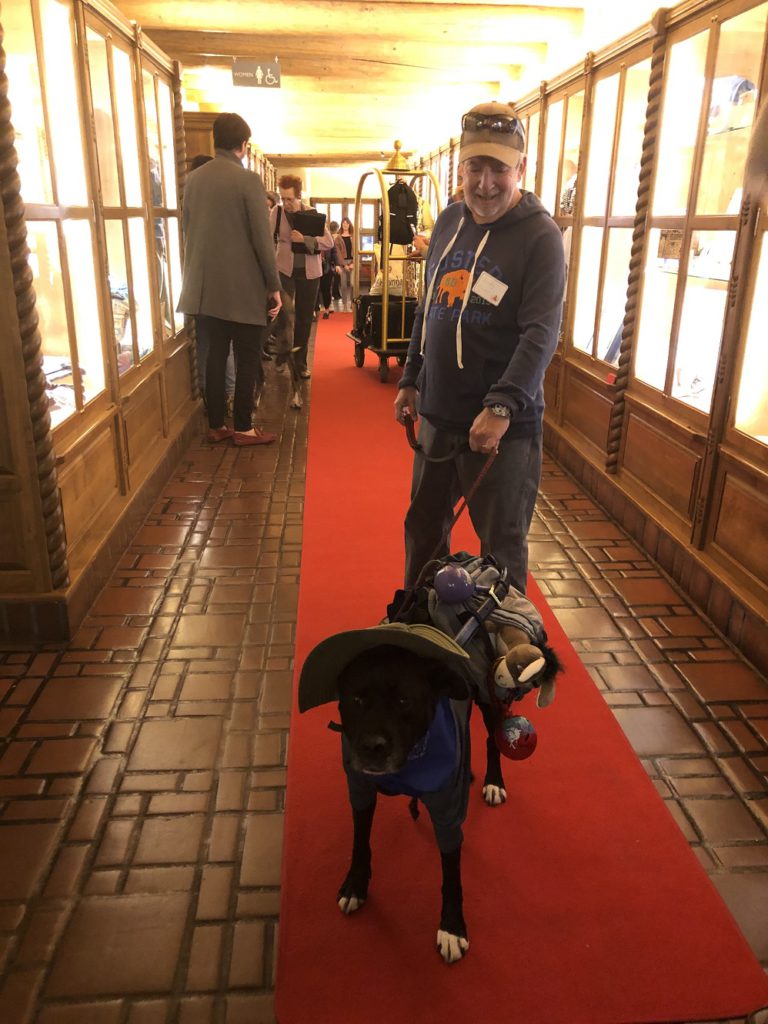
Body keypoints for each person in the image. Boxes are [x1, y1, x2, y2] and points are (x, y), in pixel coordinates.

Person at [394, 101, 565, 594]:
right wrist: (410, 376)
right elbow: (428, 307)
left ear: (521, 170)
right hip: (438, 416)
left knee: (501, 548)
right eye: (476, 168)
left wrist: (501, 405)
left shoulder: (540, 237)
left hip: (502, 429)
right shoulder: (448, 223)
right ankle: (419, 629)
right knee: (423, 533)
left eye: (499, 169)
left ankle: (508, 658)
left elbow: (541, 333)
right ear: (461, 167)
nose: (485, 183)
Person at [177, 113, 281, 446]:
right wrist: (274, 286)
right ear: (243, 145)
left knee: (214, 356)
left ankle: (216, 424)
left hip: (205, 289)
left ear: (215, 141)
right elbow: (262, 241)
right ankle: (244, 427)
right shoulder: (248, 181)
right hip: (243, 288)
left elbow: (186, 228)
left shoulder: (194, 179)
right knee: (248, 356)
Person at [270, 175, 334, 379]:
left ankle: (300, 363)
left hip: (310, 272)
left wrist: (306, 239)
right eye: (283, 198)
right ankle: (282, 357)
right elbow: (266, 238)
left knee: (305, 318)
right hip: (284, 270)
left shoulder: (311, 214)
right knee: (285, 316)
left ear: (299, 196)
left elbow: (329, 242)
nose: (286, 203)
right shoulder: (276, 212)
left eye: (290, 199)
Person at [335, 216, 354, 312]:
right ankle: (345, 304)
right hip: (342, 263)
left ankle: (352, 303)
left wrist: (353, 263)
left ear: (349, 224)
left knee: (352, 283)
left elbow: (357, 250)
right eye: (344, 223)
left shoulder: (353, 236)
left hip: (352, 263)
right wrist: (343, 265)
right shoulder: (338, 237)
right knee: (343, 284)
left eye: (347, 223)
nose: (345, 225)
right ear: (342, 225)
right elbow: (337, 252)